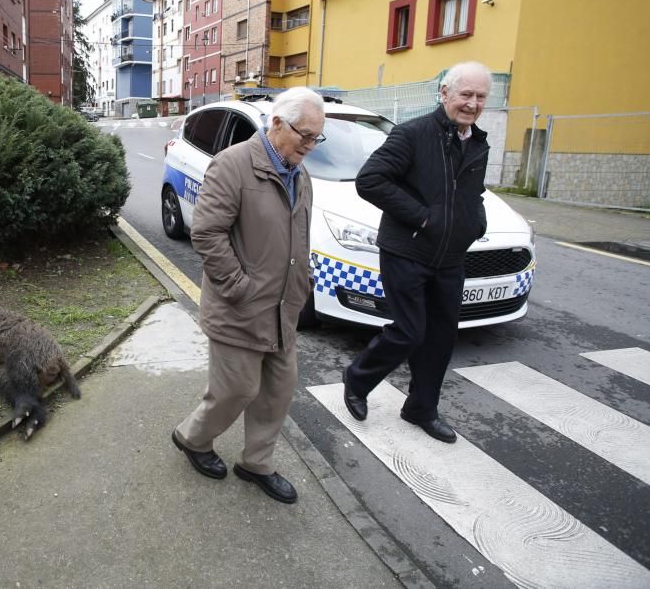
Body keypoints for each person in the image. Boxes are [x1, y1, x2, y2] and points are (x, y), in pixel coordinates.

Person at [171, 87, 325, 504]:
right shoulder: (233, 165)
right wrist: (239, 286)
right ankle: (193, 438)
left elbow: (300, 236)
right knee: (236, 390)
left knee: (278, 390)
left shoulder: (301, 174)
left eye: (316, 138)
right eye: (304, 135)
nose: (310, 146)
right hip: (238, 306)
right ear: (277, 124)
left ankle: (257, 463)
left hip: (282, 308)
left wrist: (303, 282)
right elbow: (206, 232)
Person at [342, 61, 493, 443]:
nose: (473, 104)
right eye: (466, 95)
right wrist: (423, 219)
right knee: (409, 331)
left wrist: (476, 223)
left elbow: (473, 193)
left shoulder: (477, 142)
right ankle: (357, 379)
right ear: (444, 94)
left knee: (441, 337)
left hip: (450, 258)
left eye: (480, 97)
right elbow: (370, 180)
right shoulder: (412, 134)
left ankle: (420, 408)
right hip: (406, 251)